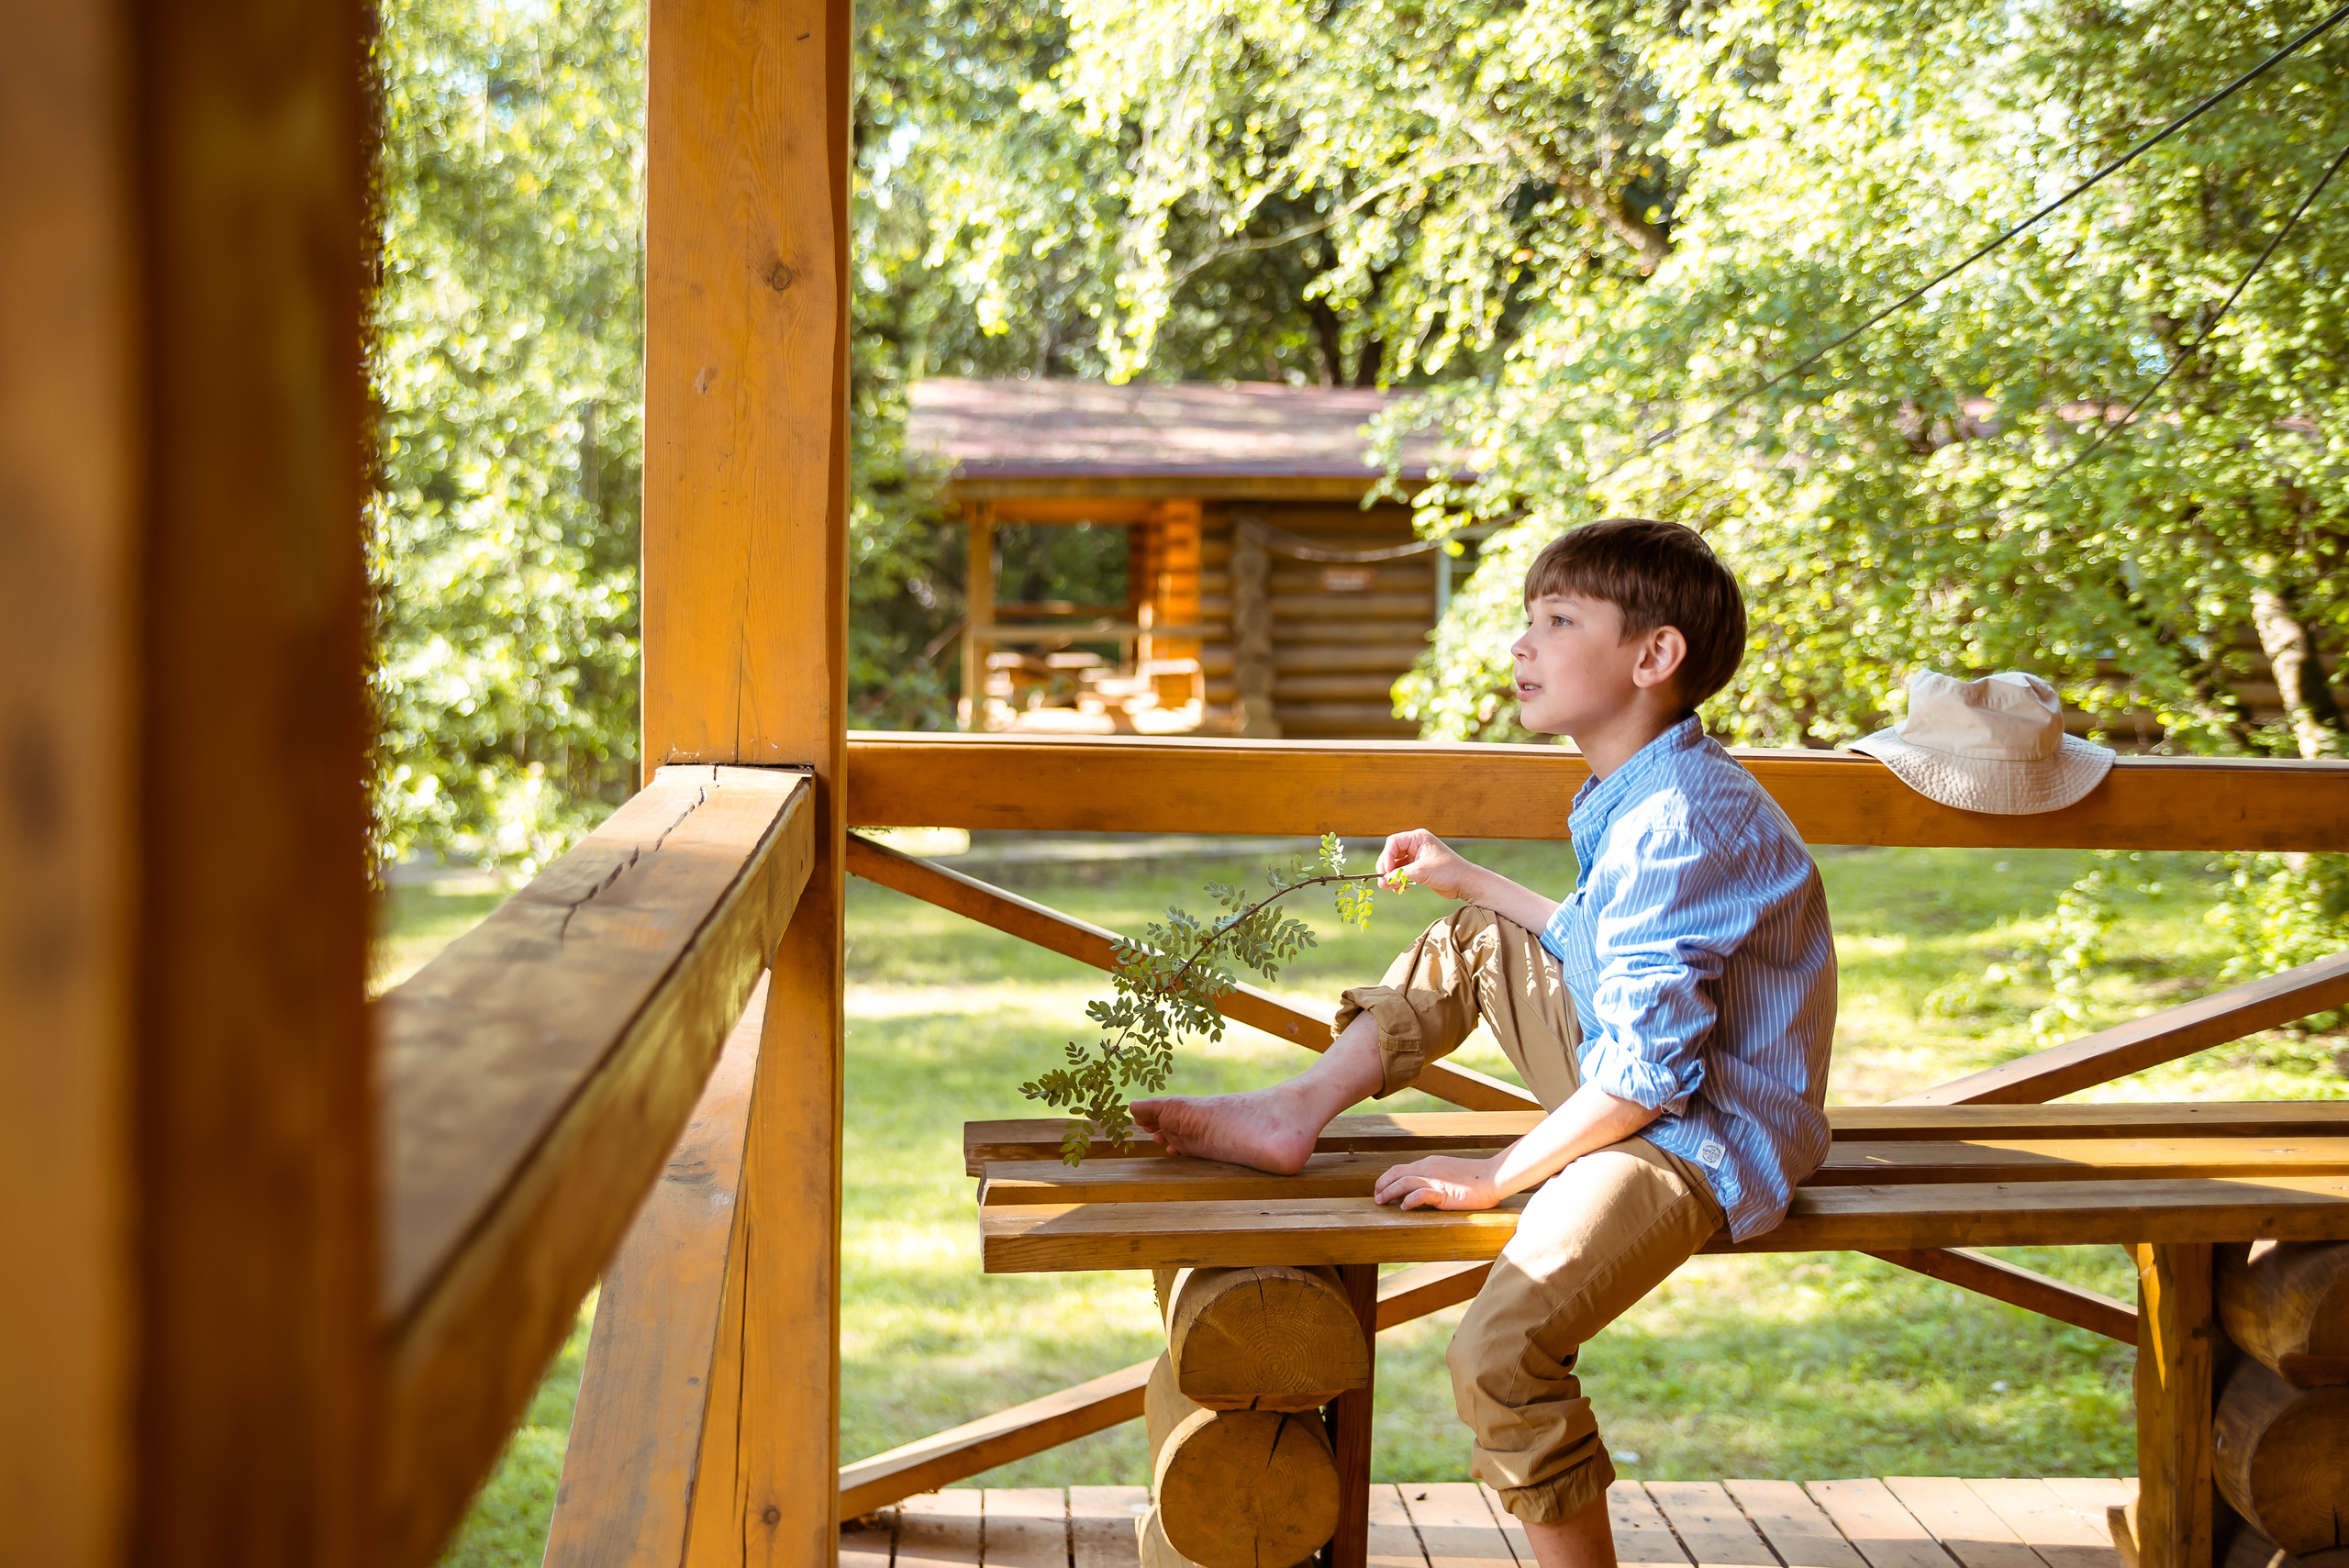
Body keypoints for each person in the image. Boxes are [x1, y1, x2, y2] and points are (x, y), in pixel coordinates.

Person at [1130, 517, 1837, 1568]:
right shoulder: (1647, 788)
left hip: (1696, 1135)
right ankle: (1292, 1110)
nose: (1522, 642)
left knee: (1500, 1353)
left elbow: (1649, 1074)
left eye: (1558, 620)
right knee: (1472, 931)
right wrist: (1468, 879)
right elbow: (1605, 950)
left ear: (1653, 655)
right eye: (1528, 619)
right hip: (1648, 1088)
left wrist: (1495, 1174)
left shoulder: (1678, 817)